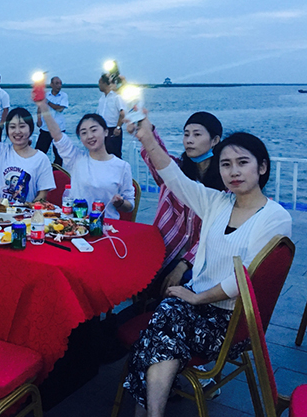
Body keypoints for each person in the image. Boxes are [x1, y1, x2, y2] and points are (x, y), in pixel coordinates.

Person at [124, 114, 292, 417]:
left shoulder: (275, 217)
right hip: (193, 309)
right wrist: (146, 137)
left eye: (242, 163)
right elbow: (174, 177)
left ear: (262, 167)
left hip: (230, 321)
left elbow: (245, 277)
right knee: (162, 327)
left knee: (161, 325)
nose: (233, 171)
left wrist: (197, 297)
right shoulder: (217, 202)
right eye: (226, 164)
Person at [142, 112, 225, 294]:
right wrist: (145, 129)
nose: (189, 140)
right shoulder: (175, 172)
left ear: (215, 140)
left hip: (202, 259)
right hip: (166, 248)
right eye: (186, 134)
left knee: (187, 284)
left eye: (197, 134)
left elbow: (216, 234)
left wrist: (184, 264)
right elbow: (156, 156)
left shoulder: (224, 184)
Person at [37, 99, 134, 218]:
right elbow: (57, 135)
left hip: (107, 225)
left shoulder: (122, 166)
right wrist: (43, 106)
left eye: (94, 130)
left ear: (106, 132)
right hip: (76, 224)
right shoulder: (75, 159)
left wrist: (120, 203)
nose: (89, 136)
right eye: (83, 133)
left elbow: (130, 205)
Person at [35, 76, 68, 167]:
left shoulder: (64, 95)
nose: (59, 86)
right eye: (56, 83)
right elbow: (39, 108)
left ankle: (57, 171)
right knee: (40, 151)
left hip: (59, 129)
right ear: (51, 84)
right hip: (46, 128)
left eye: (60, 83)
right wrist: (39, 119)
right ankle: (38, 169)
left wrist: (48, 102)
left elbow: (59, 108)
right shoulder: (45, 95)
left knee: (59, 154)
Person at [96, 73, 125, 158]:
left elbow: (122, 113)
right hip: (102, 130)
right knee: (103, 154)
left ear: (104, 83)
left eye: (100, 83)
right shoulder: (102, 98)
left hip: (113, 130)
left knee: (114, 154)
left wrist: (118, 127)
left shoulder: (116, 97)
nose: (99, 85)